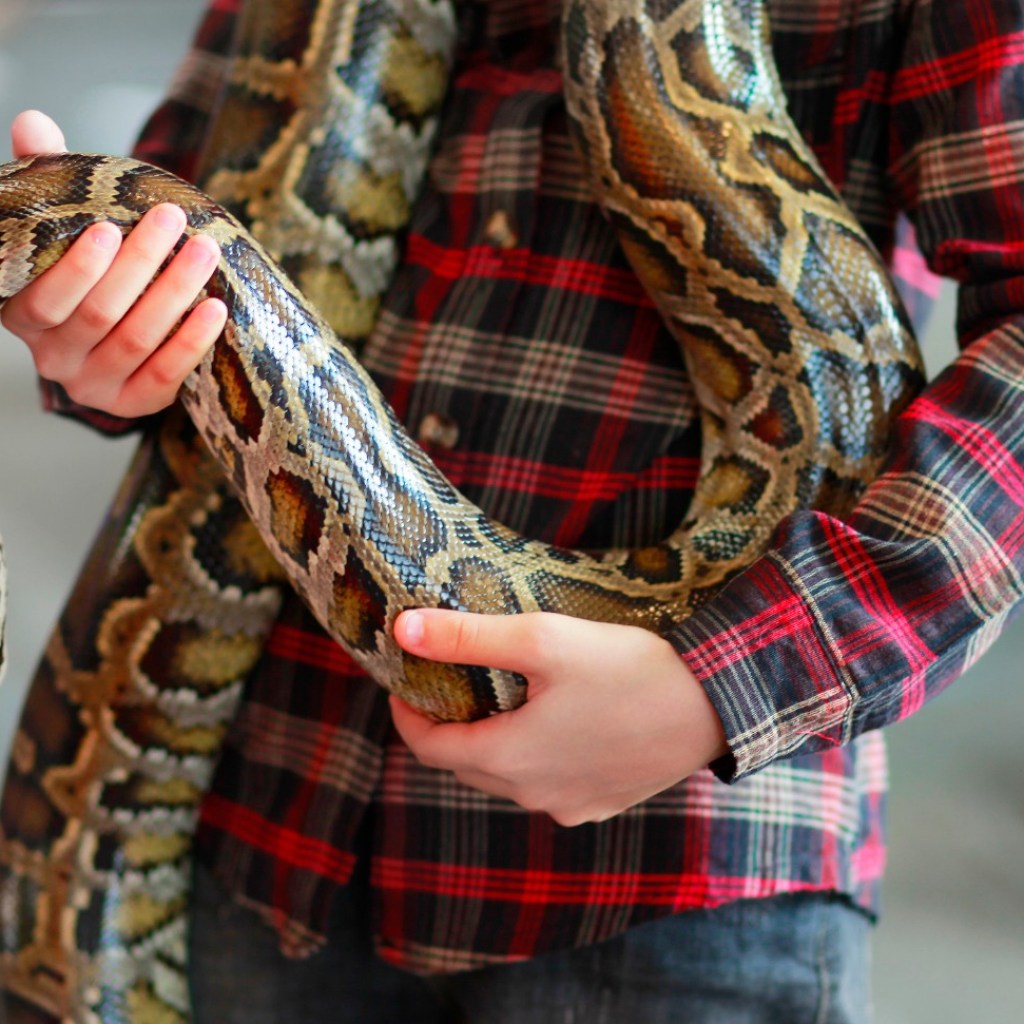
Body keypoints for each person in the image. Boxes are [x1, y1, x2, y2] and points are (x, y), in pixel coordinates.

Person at [4, 0, 1023, 1020]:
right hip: (266, 808)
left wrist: (723, 681)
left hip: (671, 879)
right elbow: (208, 198)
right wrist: (102, 334)